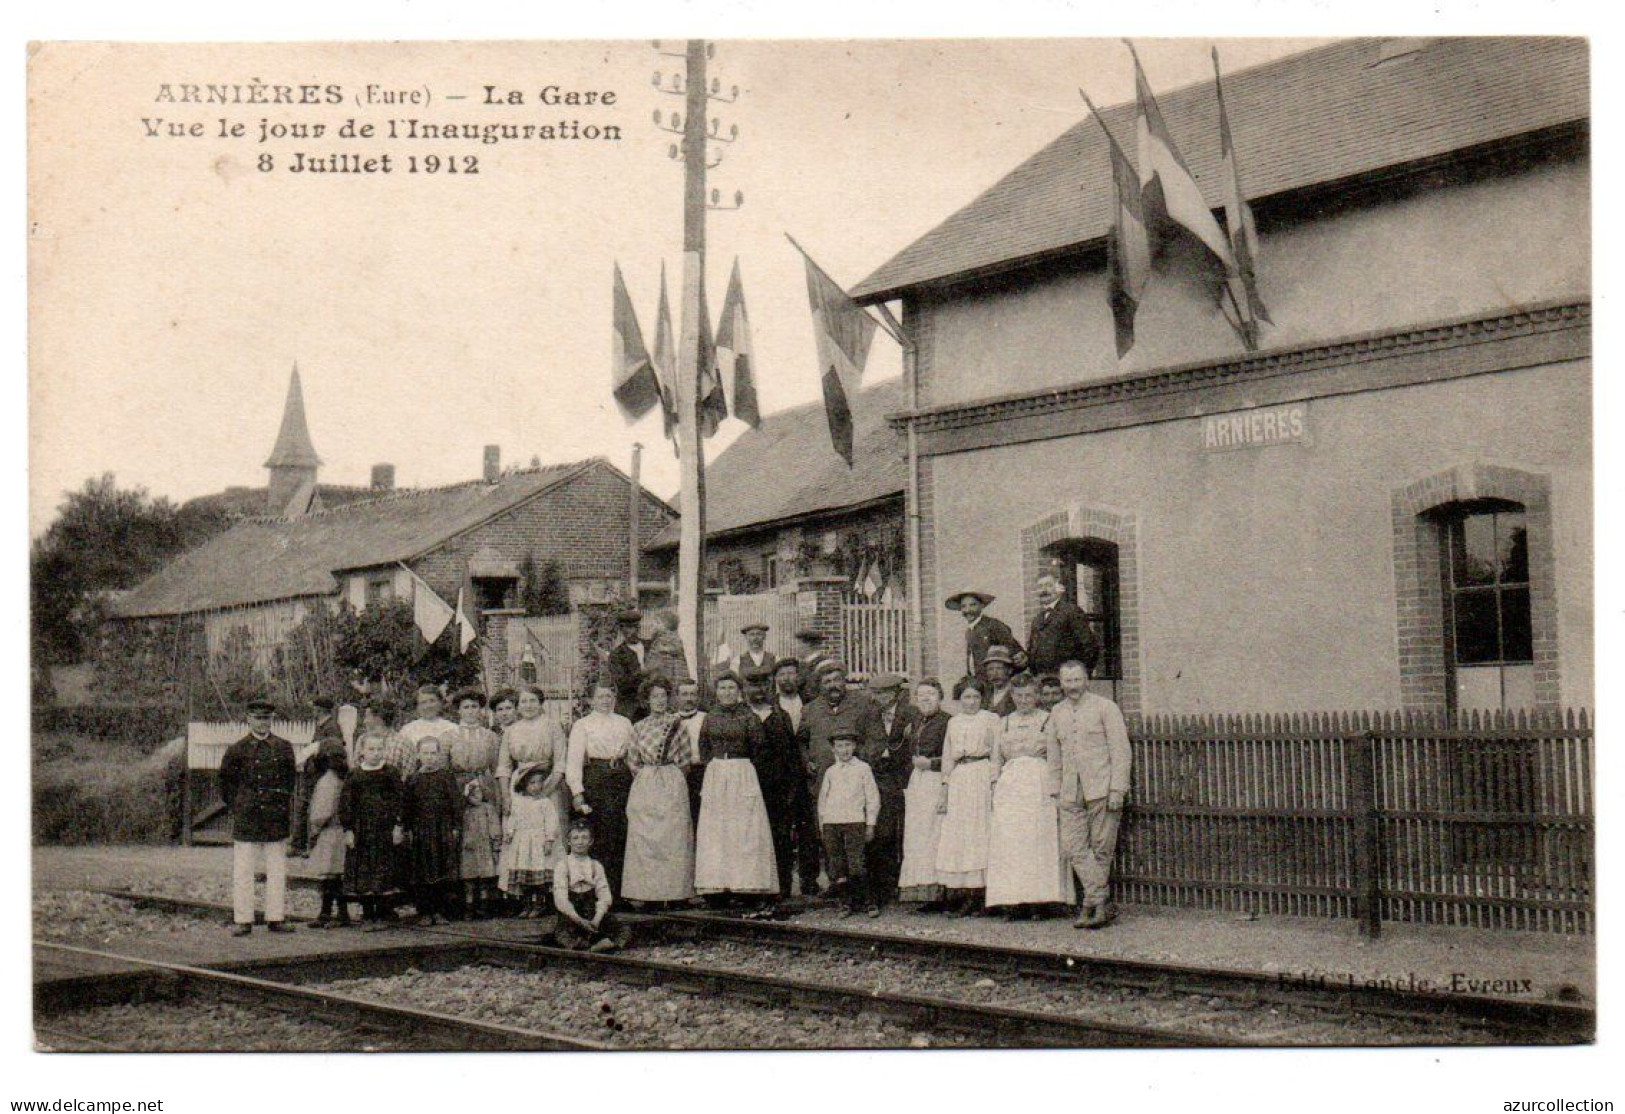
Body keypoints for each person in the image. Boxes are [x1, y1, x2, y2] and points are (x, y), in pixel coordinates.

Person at [1046, 660, 1131, 929]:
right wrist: (1055, 790)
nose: (1072, 686)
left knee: (1101, 849)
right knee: (1073, 848)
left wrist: (1118, 788)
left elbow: (1120, 751)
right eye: (1067, 681)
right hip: (1070, 791)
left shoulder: (1106, 708)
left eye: (1077, 680)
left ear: (1087, 680)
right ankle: (1100, 900)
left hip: (1102, 789)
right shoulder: (1057, 713)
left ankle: (1091, 906)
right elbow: (1054, 756)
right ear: (1061, 683)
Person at [986, 673, 1073, 918]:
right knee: (1011, 843)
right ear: (1012, 697)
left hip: (1039, 783)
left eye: (1029, 695)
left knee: (1038, 840)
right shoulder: (1002, 723)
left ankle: (1040, 902)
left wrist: (1056, 786)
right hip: (1010, 785)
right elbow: (996, 759)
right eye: (1019, 695)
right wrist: (995, 784)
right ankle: (1013, 902)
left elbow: (1057, 756)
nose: (1024, 700)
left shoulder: (1048, 720)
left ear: (1037, 697)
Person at [693, 672, 780, 909]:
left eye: (731, 688)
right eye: (722, 688)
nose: (727, 693)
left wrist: (741, 768)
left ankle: (748, 886)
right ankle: (717, 888)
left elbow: (760, 748)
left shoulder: (748, 716)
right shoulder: (710, 717)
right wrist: (717, 766)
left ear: (738, 691)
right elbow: (704, 747)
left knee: (745, 829)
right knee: (716, 829)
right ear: (716, 692)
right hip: (717, 773)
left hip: (742, 773)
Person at [219, 695, 299, 936]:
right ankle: (243, 919)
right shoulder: (237, 750)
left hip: (275, 815)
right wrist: (240, 806)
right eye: (258, 719)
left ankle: (276, 917)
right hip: (248, 816)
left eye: (267, 719)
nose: (263, 723)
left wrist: (280, 804)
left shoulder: (283, 747)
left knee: (277, 868)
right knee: (244, 869)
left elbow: (289, 781)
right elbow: (226, 784)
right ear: (248, 719)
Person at [623, 676, 696, 907]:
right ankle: (649, 894)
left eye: (663, 696)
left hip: (672, 781)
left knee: (673, 837)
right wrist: (648, 778)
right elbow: (632, 760)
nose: (659, 701)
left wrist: (669, 779)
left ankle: (675, 894)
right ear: (647, 700)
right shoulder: (638, 727)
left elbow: (685, 760)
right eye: (654, 696)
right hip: (646, 783)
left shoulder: (679, 725)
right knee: (647, 837)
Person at [936, 677, 999, 917]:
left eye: (975, 697)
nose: (971, 702)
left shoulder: (991, 720)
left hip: (980, 776)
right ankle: (962, 893)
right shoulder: (954, 722)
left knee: (979, 832)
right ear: (959, 699)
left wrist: (994, 783)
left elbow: (995, 755)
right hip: (960, 779)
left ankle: (981, 894)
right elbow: (947, 756)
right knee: (960, 834)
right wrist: (945, 785)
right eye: (966, 697)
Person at [567, 682, 636, 893]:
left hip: (621, 779)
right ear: (591, 700)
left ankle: (619, 892)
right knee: (600, 833)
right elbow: (574, 760)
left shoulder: (625, 723)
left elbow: (633, 755)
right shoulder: (583, 725)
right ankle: (597, 891)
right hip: (596, 779)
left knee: (621, 833)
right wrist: (577, 792)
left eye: (609, 696)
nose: (606, 700)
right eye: (601, 696)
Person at [340, 733, 406, 931]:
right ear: (362, 751)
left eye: (379, 749)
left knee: (385, 869)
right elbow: (346, 804)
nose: (376, 753)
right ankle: (368, 915)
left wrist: (398, 825)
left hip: (385, 831)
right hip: (363, 832)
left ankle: (383, 913)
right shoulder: (355, 775)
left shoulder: (391, 773)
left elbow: (401, 801)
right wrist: (348, 829)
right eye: (371, 749)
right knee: (364, 871)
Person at [744, 668, 799, 900]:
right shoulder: (743, 716)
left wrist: (791, 787)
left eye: (763, 686)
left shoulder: (780, 716)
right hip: (747, 788)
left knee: (780, 837)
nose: (759, 692)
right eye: (753, 686)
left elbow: (792, 755)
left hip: (777, 788)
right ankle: (752, 888)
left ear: (770, 688)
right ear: (746, 690)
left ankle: (782, 887)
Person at [864, 672, 917, 908]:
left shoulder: (911, 714)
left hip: (906, 778)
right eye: (876, 693)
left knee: (907, 831)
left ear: (897, 693)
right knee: (883, 833)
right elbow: (862, 744)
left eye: (885, 693)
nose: (880, 698)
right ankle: (885, 886)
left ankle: (907, 885)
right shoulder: (869, 716)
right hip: (880, 779)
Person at [898, 679, 950, 911]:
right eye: (921, 696)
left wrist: (932, 763)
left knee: (935, 834)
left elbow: (952, 756)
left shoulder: (948, 721)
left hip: (937, 780)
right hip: (918, 783)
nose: (926, 699)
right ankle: (923, 891)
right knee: (918, 835)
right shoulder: (916, 722)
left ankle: (941, 892)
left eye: (931, 694)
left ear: (940, 697)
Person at [817, 728, 881, 918]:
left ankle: (869, 902)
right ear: (833, 749)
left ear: (854, 746)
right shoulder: (830, 771)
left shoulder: (863, 769)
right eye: (839, 746)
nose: (844, 750)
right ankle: (845, 903)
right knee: (838, 866)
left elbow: (872, 798)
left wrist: (870, 824)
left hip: (855, 822)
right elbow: (823, 800)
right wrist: (823, 826)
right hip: (832, 823)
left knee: (857, 864)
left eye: (847, 745)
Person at [771, 659, 819, 896]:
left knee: (808, 828)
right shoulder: (770, 706)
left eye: (792, 673)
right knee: (781, 830)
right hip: (780, 777)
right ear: (776, 679)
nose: (788, 678)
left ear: (799, 678)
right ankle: (783, 882)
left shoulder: (810, 704)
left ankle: (809, 879)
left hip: (805, 774)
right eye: (783, 674)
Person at [403, 737, 462, 925]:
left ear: (439, 755)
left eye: (433, 753)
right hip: (421, 830)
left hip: (442, 829)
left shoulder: (446, 776)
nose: (430, 757)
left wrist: (454, 827)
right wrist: (408, 829)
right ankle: (425, 911)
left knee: (442, 870)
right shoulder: (413, 779)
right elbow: (407, 808)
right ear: (419, 755)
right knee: (422, 871)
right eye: (426, 753)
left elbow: (456, 804)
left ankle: (440, 911)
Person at [552, 823, 632, 953]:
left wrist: (597, 919)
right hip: (573, 915)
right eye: (576, 838)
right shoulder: (562, 865)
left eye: (584, 838)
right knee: (563, 934)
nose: (580, 842)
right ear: (568, 842)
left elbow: (604, 895)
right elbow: (561, 899)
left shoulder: (596, 866)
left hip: (593, 914)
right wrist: (578, 920)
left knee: (623, 929)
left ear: (591, 841)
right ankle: (593, 946)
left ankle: (598, 945)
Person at [496, 685, 568, 827]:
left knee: (549, 827)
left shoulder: (552, 727)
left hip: (548, 781)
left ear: (540, 703)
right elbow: (504, 766)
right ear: (518, 705)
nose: (528, 706)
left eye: (533, 701)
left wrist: (547, 790)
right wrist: (506, 795)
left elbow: (560, 763)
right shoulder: (511, 731)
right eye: (524, 701)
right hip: (520, 784)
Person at [500, 763, 562, 917]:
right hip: (523, 842)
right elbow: (513, 818)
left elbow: (551, 822)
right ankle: (527, 905)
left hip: (538, 843)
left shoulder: (545, 802)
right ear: (524, 785)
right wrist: (509, 832)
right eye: (532, 783)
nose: (536, 786)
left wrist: (549, 840)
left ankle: (539, 904)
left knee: (538, 876)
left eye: (539, 782)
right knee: (525, 877)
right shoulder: (519, 802)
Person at [305, 739, 351, 928]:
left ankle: (329, 913)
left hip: (329, 832)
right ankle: (338, 912)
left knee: (329, 875)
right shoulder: (345, 778)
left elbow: (321, 813)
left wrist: (314, 830)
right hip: (343, 831)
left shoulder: (327, 781)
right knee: (339, 874)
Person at [290, 696, 344, 855]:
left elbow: (334, 752)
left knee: (318, 810)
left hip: (321, 776)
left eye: (314, 708)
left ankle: (310, 847)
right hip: (313, 775)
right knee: (304, 807)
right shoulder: (321, 726)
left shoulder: (332, 728)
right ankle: (299, 844)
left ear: (321, 710)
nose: (312, 711)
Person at [1025, 575, 1102, 679]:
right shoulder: (1037, 619)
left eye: (1048, 586)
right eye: (1040, 586)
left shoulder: (1071, 611)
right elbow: (1032, 649)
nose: (1044, 590)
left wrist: (1082, 675)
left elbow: (1089, 645)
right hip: (1042, 679)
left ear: (1059, 589)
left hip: (1065, 678)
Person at [945, 590, 1025, 682]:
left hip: (993, 683)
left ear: (982, 606)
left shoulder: (994, 625)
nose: (967, 610)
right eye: (964, 606)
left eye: (972, 605)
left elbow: (1017, 655)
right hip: (978, 684)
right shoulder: (969, 631)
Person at [460, 778, 501, 919]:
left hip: (484, 848)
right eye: (472, 793)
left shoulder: (487, 809)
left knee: (484, 881)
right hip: (468, 850)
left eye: (478, 792)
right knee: (469, 882)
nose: (475, 795)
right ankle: (469, 909)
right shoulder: (464, 811)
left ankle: (484, 908)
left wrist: (495, 846)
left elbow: (495, 828)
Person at [672, 677, 707, 823]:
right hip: (676, 774)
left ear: (698, 697)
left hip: (700, 772)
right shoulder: (670, 720)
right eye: (685, 694)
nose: (689, 698)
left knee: (700, 815)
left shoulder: (706, 718)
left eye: (692, 694)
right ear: (677, 697)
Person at [606, 610, 647, 720]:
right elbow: (622, 683)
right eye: (624, 628)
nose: (628, 632)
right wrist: (642, 673)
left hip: (651, 707)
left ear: (638, 628)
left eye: (632, 627)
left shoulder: (650, 646)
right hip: (628, 709)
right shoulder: (616, 655)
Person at [396, 685, 458, 757]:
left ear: (440, 703)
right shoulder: (407, 730)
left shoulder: (452, 728)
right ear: (417, 707)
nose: (428, 706)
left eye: (432, 701)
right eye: (423, 702)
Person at [641, 610, 690, 694]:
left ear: (664, 626)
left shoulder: (660, 641)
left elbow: (653, 664)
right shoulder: (676, 640)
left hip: (665, 682)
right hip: (677, 680)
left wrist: (644, 671)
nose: (652, 626)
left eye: (657, 623)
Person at [792, 629, 834, 701]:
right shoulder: (800, 664)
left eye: (798, 644)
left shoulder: (825, 664)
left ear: (807, 645)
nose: (794, 648)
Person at [983, 646, 1018, 717]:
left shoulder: (1017, 693)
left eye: (999, 668)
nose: (994, 674)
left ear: (1010, 670)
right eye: (990, 669)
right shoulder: (984, 694)